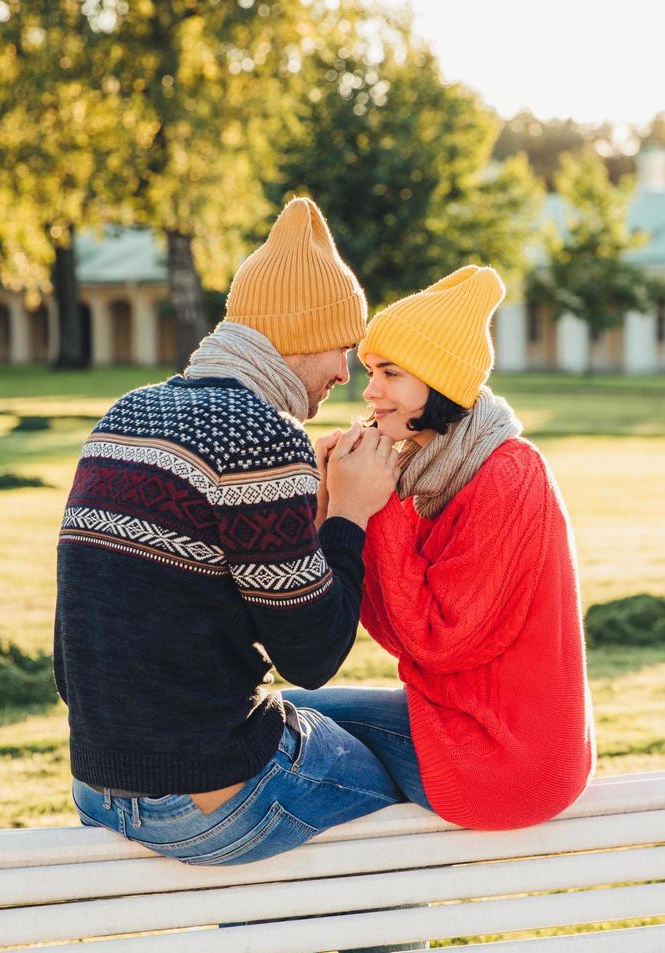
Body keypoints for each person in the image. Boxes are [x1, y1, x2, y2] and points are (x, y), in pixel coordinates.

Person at [56, 198, 405, 866]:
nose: (344, 372)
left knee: (315, 789)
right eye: (341, 347)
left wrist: (315, 501)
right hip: (201, 794)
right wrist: (349, 515)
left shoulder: (128, 411)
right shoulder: (260, 436)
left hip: (99, 783)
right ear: (300, 337)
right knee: (396, 791)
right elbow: (311, 658)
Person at [290, 265, 596, 832]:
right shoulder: (437, 476)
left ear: (440, 382)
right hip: (478, 728)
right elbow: (393, 626)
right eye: (370, 372)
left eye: (391, 374)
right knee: (291, 722)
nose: (371, 391)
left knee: (283, 723)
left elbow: (437, 640)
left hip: (507, 760)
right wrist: (334, 504)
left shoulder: (506, 474)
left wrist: (371, 504)